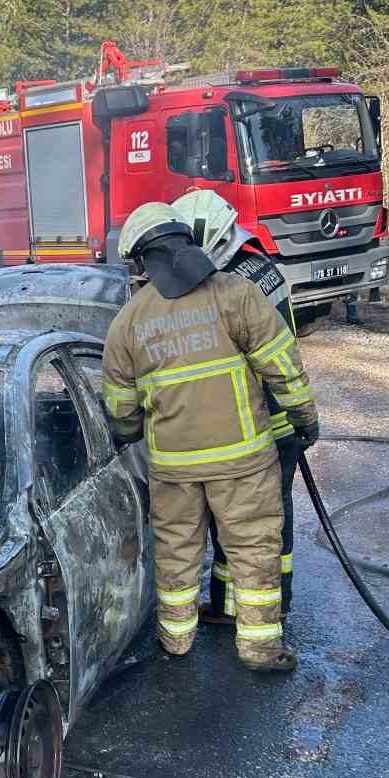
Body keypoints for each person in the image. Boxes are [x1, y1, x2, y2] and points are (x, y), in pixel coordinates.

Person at [103, 202, 319, 674]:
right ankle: (260, 648)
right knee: (254, 550)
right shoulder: (236, 294)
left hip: (174, 469)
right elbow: (283, 366)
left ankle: (175, 641)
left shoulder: (128, 322)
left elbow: (121, 411)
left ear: (141, 261)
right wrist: (305, 418)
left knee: (177, 554)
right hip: (243, 461)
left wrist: (133, 432)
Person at [173, 190, 301, 628]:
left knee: (251, 522)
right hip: (279, 417)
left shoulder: (238, 285)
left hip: (265, 423)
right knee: (261, 519)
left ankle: (260, 607)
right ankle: (244, 604)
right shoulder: (261, 266)